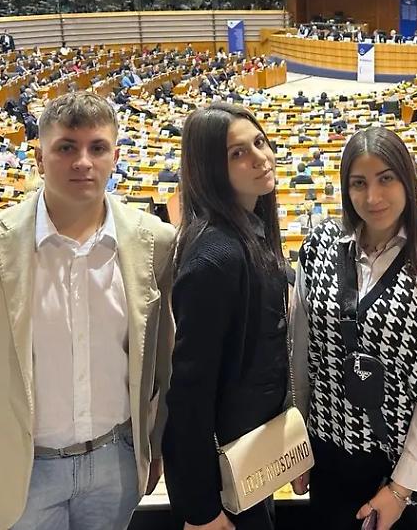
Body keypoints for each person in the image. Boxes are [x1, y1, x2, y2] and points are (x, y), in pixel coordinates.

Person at [0, 92, 176, 530]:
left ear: (116, 156)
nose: (83, 161)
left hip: (115, 462)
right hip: (19, 469)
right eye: (66, 147)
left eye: (97, 148)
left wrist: (154, 447)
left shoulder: (155, 242)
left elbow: (160, 359)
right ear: (39, 158)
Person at [290, 125, 417, 530]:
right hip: (329, 455)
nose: (372, 198)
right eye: (359, 183)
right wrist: (297, 445)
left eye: (385, 179)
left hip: (405, 463)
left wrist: (401, 488)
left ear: (407, 179)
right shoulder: (319, 245)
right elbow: (302, 355)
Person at [163, 103, 290, 530]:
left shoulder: (250, 234)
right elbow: (189, 395)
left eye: (260, 142)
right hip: (222, 484)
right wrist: (201, 511)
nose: (260, 157)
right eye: (238, 153)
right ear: (210, 169)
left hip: (254, 460)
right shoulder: (216, 258)